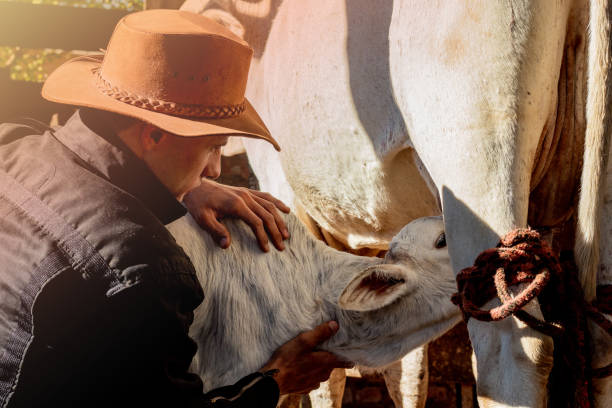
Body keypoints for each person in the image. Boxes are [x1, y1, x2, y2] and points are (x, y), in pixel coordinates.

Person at [0, 9, 352, 408]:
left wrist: (189, 187)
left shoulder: (12, 149)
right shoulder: (145, 270)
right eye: (213, 148)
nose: (216, 170)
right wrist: (274, 381)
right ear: (153, 134)